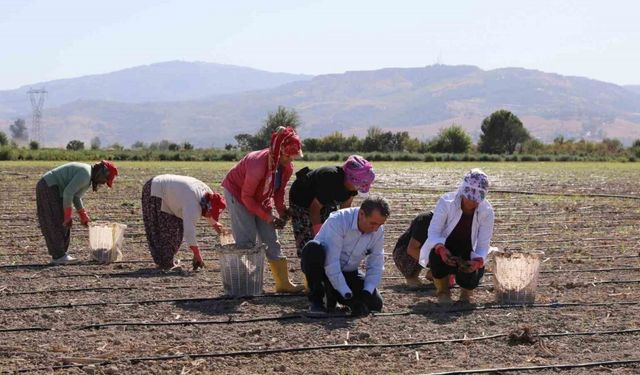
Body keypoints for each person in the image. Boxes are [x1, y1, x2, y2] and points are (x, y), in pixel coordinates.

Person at [221, 126, 304, 293]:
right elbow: (247, 198)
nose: (290, 161)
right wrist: (268, 218)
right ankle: (246, 284)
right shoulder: (257, 164)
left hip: (261, 197)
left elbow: (278, 192)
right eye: (288, 156)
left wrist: (282, 213)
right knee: (247, 239)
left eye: (293, 157)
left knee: (271, 238)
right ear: (279, 152)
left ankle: (283, 283)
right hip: (238, 194)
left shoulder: (286, 167)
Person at [300, 197, 390, 316]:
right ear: (361, 214)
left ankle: (333, 295)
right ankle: (317, 300)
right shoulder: (338, 221)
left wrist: (366, 293)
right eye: (373, 223)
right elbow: (331, 262)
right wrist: (346, 293)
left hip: (348, 271)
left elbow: (376, 263)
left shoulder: (378, 230)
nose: (376, 229)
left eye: (380, 224)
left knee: (375, 304)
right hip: (324, 269)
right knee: (313, 249)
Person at [418, 169, 495, 304]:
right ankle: (443, 292)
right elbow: (434, 233)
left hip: (469, 251)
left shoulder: (487, 211)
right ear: (462, 192)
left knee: (471, 275)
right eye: (469, 198)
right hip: (447, 247)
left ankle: (466, 294)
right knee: (436, 257)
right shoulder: (446, 202)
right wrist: (441, 249)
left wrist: (477, 262)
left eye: (476, 199)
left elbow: (483, 244)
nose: (472, 203)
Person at [289, 155, 375, 256]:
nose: (358, 189)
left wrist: (347, 234)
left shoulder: (352, 187)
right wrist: (320, 238)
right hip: (302, 198)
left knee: (332, 229)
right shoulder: (331, 180)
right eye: (359, 186)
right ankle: (310, 263)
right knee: (309, 241)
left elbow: (345, 210)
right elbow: (314, 210)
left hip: (324, 200)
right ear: (350, 179)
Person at [36, 160, 118, 264]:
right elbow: (68, 193)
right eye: (105, 179)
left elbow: (76, 196)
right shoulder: (85, 174)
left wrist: (83, 215)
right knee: (56, 221)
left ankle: (60, 255)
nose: (103, 183)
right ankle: (58, 256)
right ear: (102, 172)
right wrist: (67, 216)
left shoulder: (87, 177)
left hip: (53, 188)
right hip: (49, 186)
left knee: (61, 221)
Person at [142, 174, 227, 271]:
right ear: (207, 207)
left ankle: (165, 261)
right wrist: (197, 254)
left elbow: (208, 212)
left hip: (166, 189)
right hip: (155, 190)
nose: (210, 215)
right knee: (168, 231)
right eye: (210, 213)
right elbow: (189, 232)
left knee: (175, 229)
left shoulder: (209, 196)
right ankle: (165, 264)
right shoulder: (193, 206)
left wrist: (216, 226)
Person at [392, 211, 435, 287]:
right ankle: (413, 277)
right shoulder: (426, 220)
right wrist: (436, 267)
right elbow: (412, 250)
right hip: (404, 254)